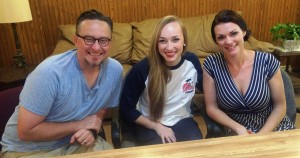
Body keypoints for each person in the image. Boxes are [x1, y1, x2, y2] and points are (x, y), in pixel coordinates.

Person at [1, 9, 123, 157]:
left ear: (110, 42)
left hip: (74, 142)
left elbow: (102, 107)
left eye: (103, 40)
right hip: (27, 150)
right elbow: (25, 132)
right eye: (89, 39)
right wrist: (80, 125)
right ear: (76, 40)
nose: (97, 47)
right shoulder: (49, 73)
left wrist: (93, 126)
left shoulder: (115, 71)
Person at [203, 9, 295, 136]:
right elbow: (211, 108)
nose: (228, 41)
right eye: (221, 37)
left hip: (272, 128)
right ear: (217, 42)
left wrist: (261, 136)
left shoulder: (267, 61)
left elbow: (280, 107)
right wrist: (238, 128)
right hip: (237, 131)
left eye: (233, 33)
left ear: (244, 32)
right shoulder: (211, 64)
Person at [120, 15, 203, 146]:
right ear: (156, 44)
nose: (169, 47)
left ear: (184, 41)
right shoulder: (142, 69)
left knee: (196, 150)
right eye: (163, 41)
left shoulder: (192, 62)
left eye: (175, 40)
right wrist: (157, 127)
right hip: (150, 122)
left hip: (182, 118)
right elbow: (126, 109)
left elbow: (205, 87)